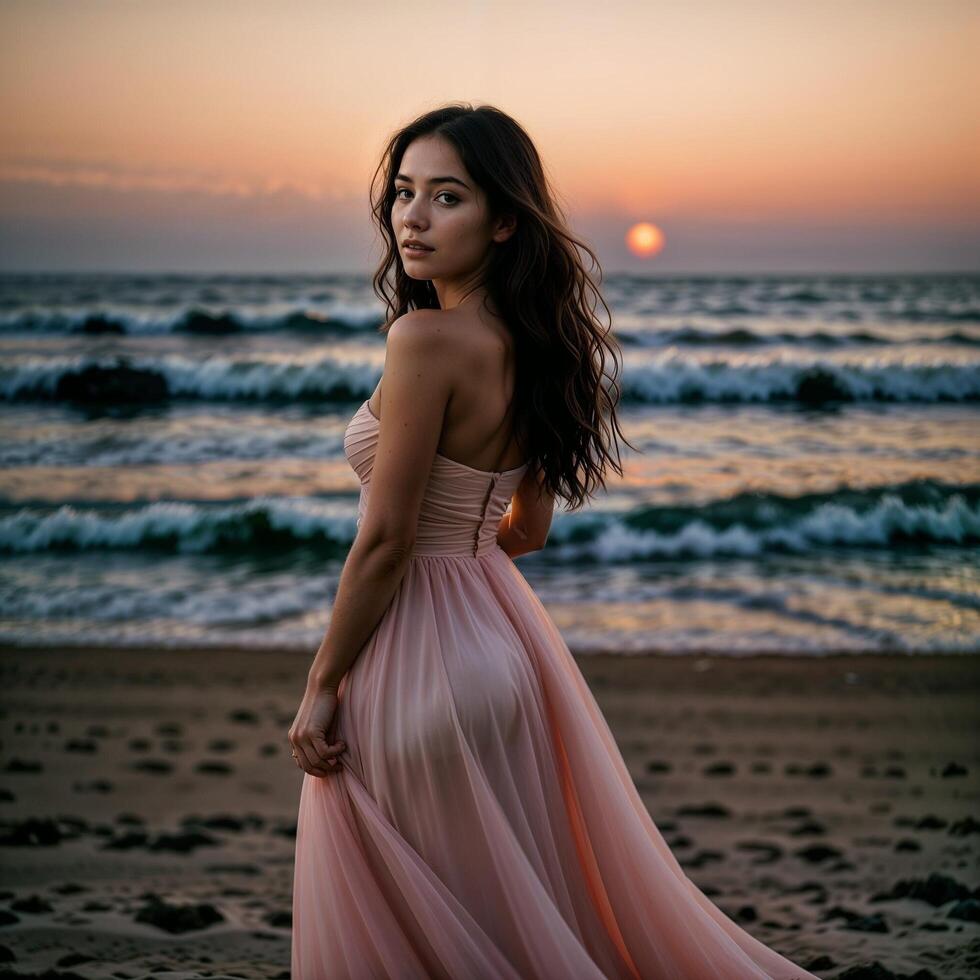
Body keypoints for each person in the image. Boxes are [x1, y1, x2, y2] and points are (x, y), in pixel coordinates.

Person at [289, 103, 819, 979]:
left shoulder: (422, 338)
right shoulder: (543, 348)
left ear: (504, 220)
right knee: (495, 913)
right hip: (500, 652)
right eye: (404, 194)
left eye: (446, 197)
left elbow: (384, 541)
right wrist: (462, 529)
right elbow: (524, 531)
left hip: (416, 660)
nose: (413, 219)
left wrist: (320, 683)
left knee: (419, 923)